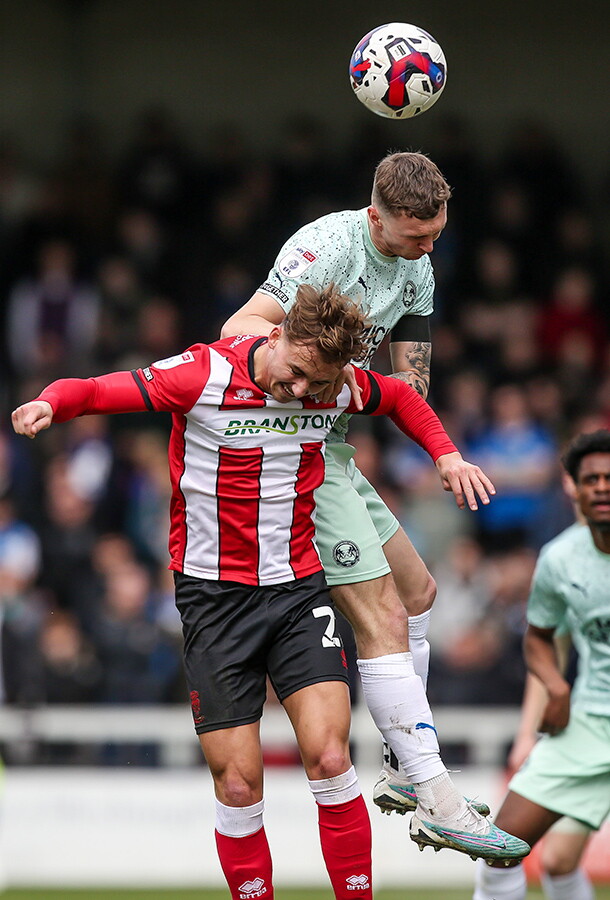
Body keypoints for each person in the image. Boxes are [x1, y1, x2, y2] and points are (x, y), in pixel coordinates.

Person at [12, 284, 529, 893]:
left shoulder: (333, 385)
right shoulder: (203, 373)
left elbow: (397, 397)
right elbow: (99, 390)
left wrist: (446, 455)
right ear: (275, 335)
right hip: (213, 602)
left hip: (296, 593)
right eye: (297, 372)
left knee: (332, 759)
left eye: (318, 383)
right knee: (237, 785)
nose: (302, 391)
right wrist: (49, 403)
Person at [221, 150, 471, 816]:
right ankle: (427, 782)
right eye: (417, 235)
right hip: (289, 442)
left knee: (419, 594)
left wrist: (420, 429)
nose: (428, 248)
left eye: (436, 234)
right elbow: (238, 329)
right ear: (377, 217)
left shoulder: (418, 269)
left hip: (334, 441)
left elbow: (411, 380)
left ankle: (399, 765)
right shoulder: (325, 248)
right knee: (385, 615)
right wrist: (330, 373)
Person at [473, 429, 610, 900]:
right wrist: (556, 687)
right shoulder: (560, 559)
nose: (601, 487)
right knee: (500, 848)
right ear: (573, 489)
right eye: (590, 479)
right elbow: (540, 639)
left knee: (559, 861)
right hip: (590, 724)